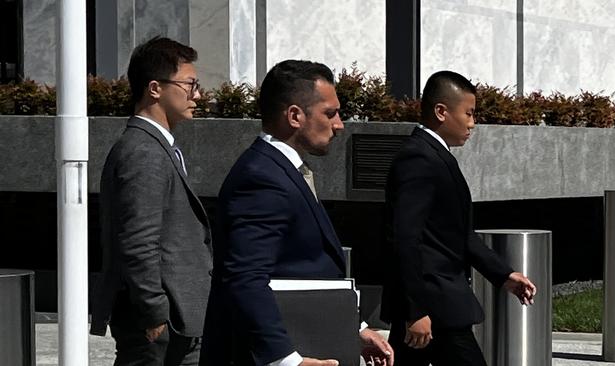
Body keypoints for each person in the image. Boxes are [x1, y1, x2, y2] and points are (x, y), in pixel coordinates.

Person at [200, 60, 393, 366]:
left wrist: (355, 328)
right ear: (294, 116)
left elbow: (303, 268)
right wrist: (287, 360)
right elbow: (246, 277)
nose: (339, 124)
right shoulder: (261, 177)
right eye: (329, 114)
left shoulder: (283, 171)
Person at [380, 70, 537, 366]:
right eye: (468, 113)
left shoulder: (436, 156)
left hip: (436, 306)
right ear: (441, 111)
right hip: (433, 306)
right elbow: (405, 238)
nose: (472, 123)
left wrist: (504, 274)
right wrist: (414, 310)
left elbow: (458, 234)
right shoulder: (419, 159)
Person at [90, 36, 213, 366]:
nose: (197, 95)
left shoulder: (159, 146)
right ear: (155, 88)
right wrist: (155, 316)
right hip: (161, 325)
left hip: (177, 319)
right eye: (189, 84)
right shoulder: (143, 151)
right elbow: (138, 242)